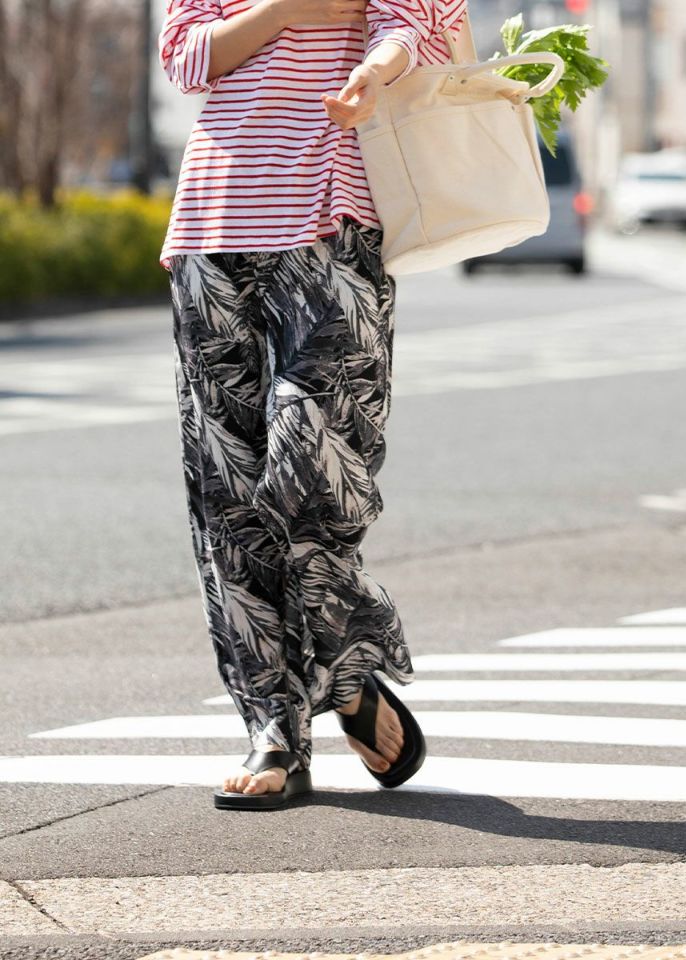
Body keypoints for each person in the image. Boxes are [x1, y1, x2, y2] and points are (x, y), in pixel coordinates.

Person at [158, 0, 467, 810]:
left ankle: (347, 664)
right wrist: (290, 9)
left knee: (315, 468)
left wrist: (376, 69)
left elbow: (419, 19)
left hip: (334, 223)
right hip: (213, 224)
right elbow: (188, 56)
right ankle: (273, 728)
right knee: (229, 490)